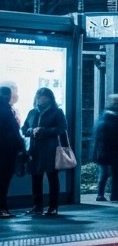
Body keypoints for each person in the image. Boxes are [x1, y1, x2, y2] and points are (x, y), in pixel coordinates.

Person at [21, 87, 69, 216]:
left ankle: (53, 207)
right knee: (36, 178)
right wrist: (32, 131)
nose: (41, 99)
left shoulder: (57, 112)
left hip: (50, 150)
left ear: (50, 98)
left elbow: (62, 128)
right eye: (39, 96)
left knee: (52, 178)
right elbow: (24, 128)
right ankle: (37, 206)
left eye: (44, 96)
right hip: (34, 150)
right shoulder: (32, 112)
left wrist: (43, 131)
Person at [91, 94, 118, 202]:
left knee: (104, 173)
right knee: (116, 174)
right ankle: (115, 194)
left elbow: (97, 137)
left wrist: (95, 151)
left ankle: (100, 194)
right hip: (116, 150)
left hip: (104, 150)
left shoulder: (103, 117)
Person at [0, 84, 24, 219]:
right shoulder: (6, 110)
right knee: (4, 180)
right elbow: (14, 131)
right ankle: (2, 208)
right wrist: (22, 147)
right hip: (6, 151)